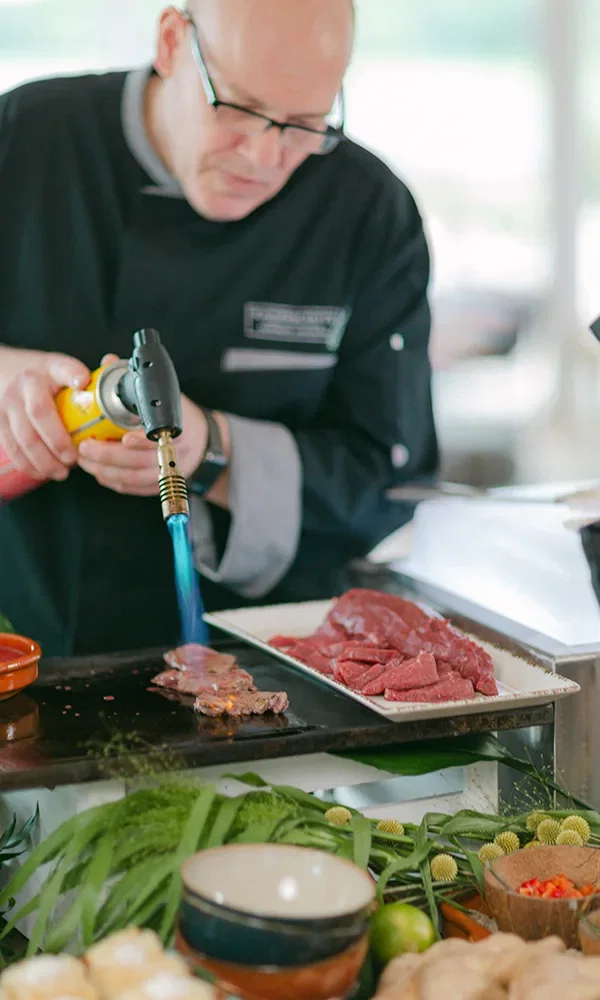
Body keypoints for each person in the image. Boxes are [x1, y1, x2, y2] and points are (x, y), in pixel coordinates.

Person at [0, 0, 438, 657]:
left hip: (265, 665)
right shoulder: (22, 138)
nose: (263, 155)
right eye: (235, 106)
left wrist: (214, 451)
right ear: (173, 42)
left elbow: (387, 482)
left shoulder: (368, 214)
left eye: (304, 125)